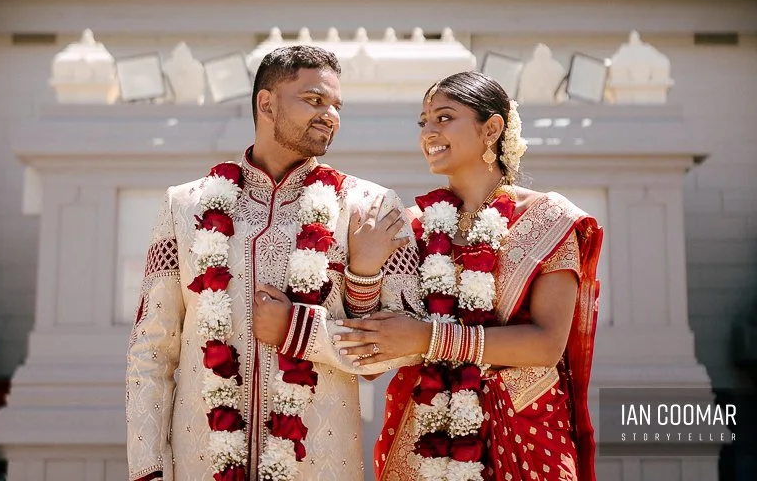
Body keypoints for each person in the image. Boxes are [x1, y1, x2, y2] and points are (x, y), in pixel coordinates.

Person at [125, 44, 420, 481]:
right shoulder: (185, 207)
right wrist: (147, 470)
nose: (330, 115)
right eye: (314, 100)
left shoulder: (371, 208)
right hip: (202, 463)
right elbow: (151, 350)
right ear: (267, 103)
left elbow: (403, 347)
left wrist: (349, 288)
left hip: (319, 464)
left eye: (337, 105)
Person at [334, 70, 603, 481]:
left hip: (524, 427)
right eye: (423, 121)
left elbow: (547, 344)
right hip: (426, 430)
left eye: (444, 117)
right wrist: (365, 270)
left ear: (492, 128)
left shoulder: (546, 220)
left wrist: (430, 338)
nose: (428, 131)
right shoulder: (414, 228)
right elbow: (372, 359)